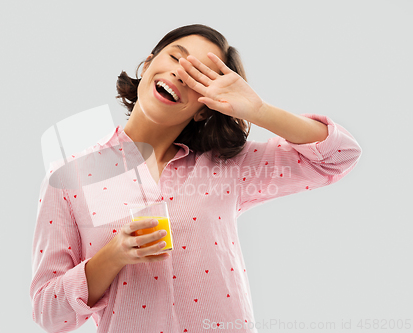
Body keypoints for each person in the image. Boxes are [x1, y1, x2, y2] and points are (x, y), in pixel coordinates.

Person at [30, 24, 362, 333]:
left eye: (198, 76)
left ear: (204, 108)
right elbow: (48, 311)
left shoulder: (229, 165)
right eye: (175, 57)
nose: (180, 74)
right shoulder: (71, 177)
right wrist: (114, 254)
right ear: (147, 65)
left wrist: (258, 112)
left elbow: (341, 155)